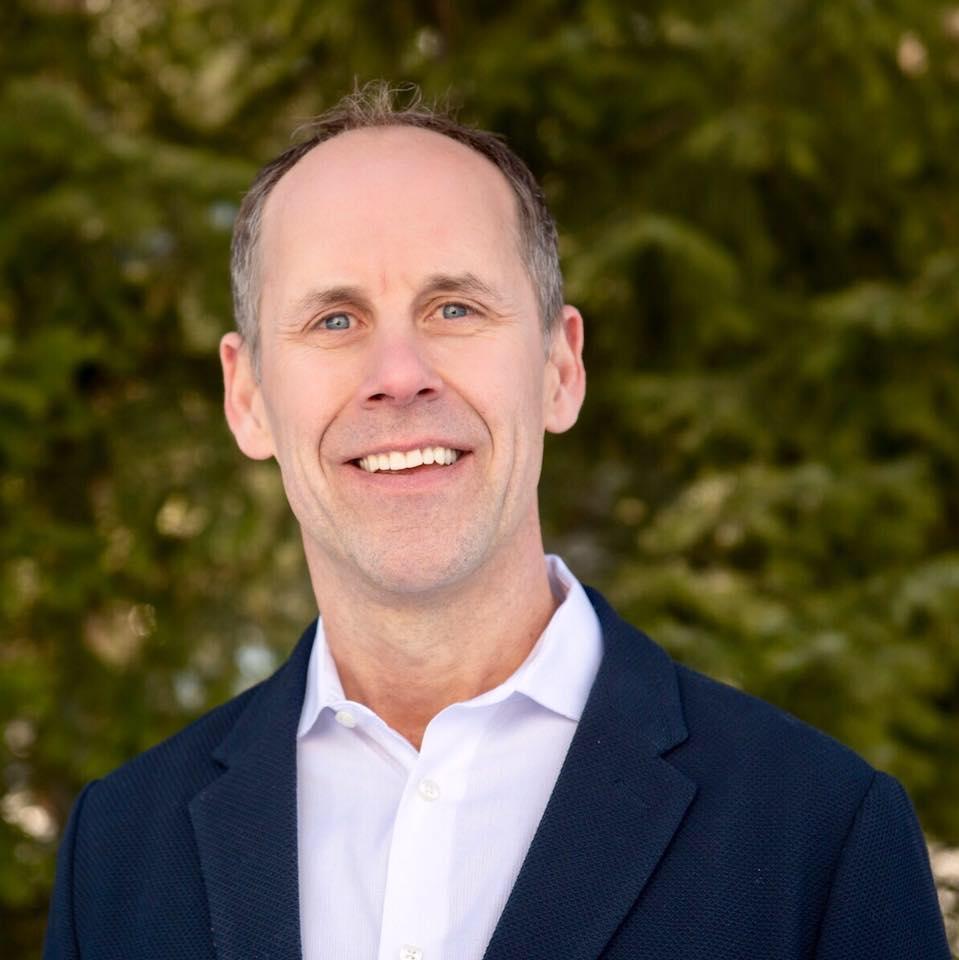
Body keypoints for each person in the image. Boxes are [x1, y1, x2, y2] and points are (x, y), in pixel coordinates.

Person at [44, 83, 949, 960]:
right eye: (333, 319)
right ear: (246, 398)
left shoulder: (819, 834)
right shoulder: (119, 853)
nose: (398, 373)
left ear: (559, 366)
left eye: (454, 308)